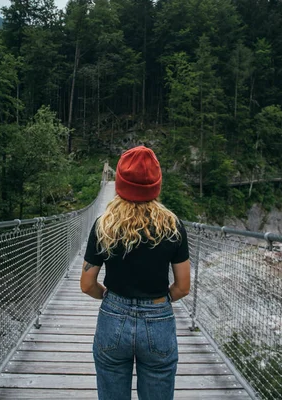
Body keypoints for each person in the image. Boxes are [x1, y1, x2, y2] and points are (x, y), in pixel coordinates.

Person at [80, 146, 191, 400]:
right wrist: (161, 302)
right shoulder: (173, 226)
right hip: (158, 319)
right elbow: (183, 287)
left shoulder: (104, 225)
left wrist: (109, 297)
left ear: (119, 182)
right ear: (156, 184)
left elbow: (87, 284)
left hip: (113, 317)